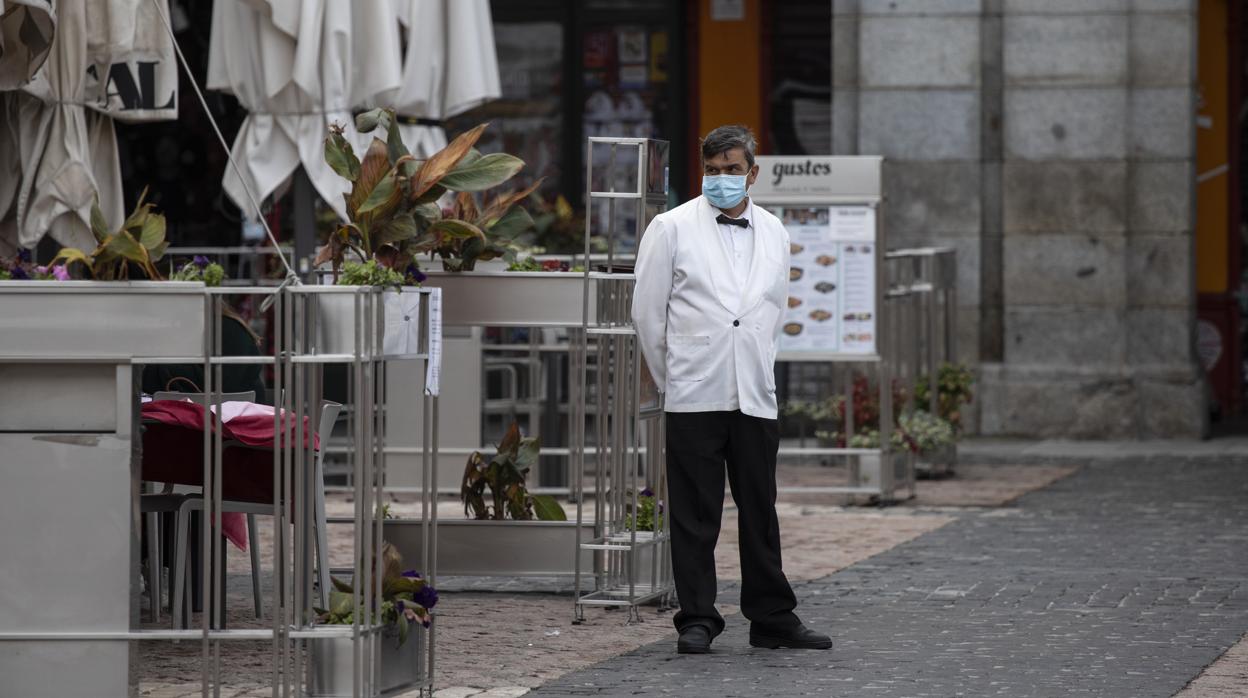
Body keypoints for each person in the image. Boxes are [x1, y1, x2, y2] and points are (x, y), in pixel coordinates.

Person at [632, 125, 832, 654]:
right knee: (695, 515)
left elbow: (773, 309)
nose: (722, 178)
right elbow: (648, 314)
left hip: (754, 392)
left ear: (752, 172)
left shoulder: (774, 230)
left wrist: (760, 365)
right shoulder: (670, 227)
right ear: (703, 171)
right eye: (713, 170)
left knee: (760, 508)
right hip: (694, 390)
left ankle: (772, 616)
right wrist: (675, 377)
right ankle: (697, 617)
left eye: (732, 169)